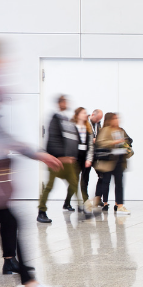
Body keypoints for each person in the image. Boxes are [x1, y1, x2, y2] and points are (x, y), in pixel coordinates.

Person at [0, 37, 66, 287]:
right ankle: (30, 285)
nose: (2, 62)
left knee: (3, 220)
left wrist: (37, 154)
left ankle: (25, 279)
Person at [37, 95, 81, 223]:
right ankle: (41, 211)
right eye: (64, 101)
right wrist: (59, 156)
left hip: (68, 161)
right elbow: (53, 139)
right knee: (49, 186)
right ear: (59, 103)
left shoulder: (66, 120)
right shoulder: (55, 119)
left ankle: (81, 208)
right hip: (57, 160)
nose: (66, 103)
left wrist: (72, 156)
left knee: (73, 184)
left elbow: (71, 140)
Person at [94, 112, 131, 215]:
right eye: (114, 119)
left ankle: (119, 205)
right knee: (106, 182)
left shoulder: (120, 130)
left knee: (119, 183)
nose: (117, 120)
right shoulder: (105, 130)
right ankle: (102, 201)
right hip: (108, 161)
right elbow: (100, 142)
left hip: (120, 160)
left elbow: (127, 140)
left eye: (117, 118)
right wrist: (113, 143)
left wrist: (126, 144)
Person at [64, 107, 94, 211]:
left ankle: (85, 202)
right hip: (75, 158)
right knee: (74, 181)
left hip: (85, 157)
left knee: (85, 181)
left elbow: (90, 145)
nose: (86, 115)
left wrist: (89, 159)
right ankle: (67, 202)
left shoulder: (88, 127)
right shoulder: (71, 126)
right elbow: (68, 143)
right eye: (83, 113)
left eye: (86, 113)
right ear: (78, 114)